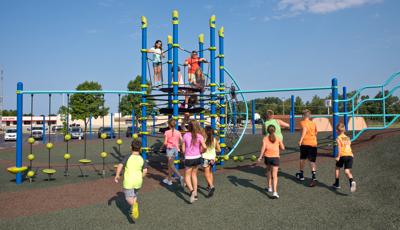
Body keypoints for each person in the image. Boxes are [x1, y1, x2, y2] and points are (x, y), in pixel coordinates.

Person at [114, 140, 148, 220]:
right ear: (140, 149)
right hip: (138, 181)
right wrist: (141, 177)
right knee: (134, 195)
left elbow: (120, 165)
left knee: (128, 198)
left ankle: (134, 205)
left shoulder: (128, 156)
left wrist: (117, 175)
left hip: (129, 181)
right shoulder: (142, 159)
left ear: (130, 148)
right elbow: (145, 171)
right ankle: (132, 209)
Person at [182, 120, 207, 203]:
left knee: (187, 176)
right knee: (194, 175)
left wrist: (185, 154)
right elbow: (205, 147)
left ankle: (192, 191)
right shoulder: (200, 136)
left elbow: (183, 149)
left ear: (189, 126)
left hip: (189, 158)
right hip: (197, 157)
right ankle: (195, 193)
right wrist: (201, 151)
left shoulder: (185, 135)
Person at [258, 125, 285, 199]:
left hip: (267, 158)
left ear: (267, 130)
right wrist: (278, 145)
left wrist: (260, 157)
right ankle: (275, 192)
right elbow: (283, 148)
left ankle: (269, 187)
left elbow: (263, 148)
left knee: (268, 172)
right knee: (275, 176)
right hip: (275, 158)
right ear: (275, 130)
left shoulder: (265, 138)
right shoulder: (278, 138)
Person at [296, 109, 318, 187]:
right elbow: (316, 133)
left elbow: (304, 130)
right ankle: (314, 177)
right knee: (312, 161)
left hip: (305, 143)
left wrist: (300, 140)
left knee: (303, 159)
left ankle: (301, 174)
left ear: (303, 115)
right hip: (313, 143)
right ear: (310, 115)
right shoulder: (313, 123)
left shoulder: (302, 122)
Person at [332, 123, 357, 192]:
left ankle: (337, 183)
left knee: (337, 167)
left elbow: (339, 148)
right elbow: (349, 146)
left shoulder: (338, 138)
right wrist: (352, 154)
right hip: (350, 155)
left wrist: (338, 156)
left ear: (338, 130)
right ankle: (351, 181)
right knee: (347, 171)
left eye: (336, 130)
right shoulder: (348, 138)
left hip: (343, 155)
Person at [163, 119, 184, 187]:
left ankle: (180, 176)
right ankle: (169, 180)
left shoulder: (167, 132)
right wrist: (179, 145)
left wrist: (163, 146)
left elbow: (165, 142)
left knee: (171, 165)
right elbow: (182, 140)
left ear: (169, 125)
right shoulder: (178, 132)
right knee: (170, 165)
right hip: (175, 149)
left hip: (170, 149)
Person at [202, 126, 221, 197]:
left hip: (206, 158)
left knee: (206, 173)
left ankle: (212, 186)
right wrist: (213, 150)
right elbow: (219, 150)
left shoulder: (204, 139)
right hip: (213, 158)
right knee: (210, 172)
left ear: (206, 132)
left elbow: (203, 149)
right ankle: (209, 186)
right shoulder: (215, 139)